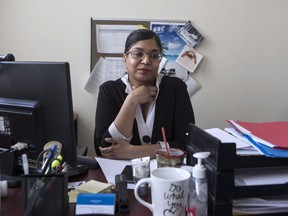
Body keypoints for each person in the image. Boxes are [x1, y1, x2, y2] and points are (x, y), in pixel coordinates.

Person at [94, 29, 195, 160]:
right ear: (125, 59)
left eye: (154, 55)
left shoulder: (175, 88)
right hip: (119, 174)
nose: (146, 61)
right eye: (138, 54)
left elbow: (187, 144)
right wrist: (131, 101)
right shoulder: (109, 90)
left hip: (165, 172)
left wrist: (132, 152)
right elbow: (103, 149)